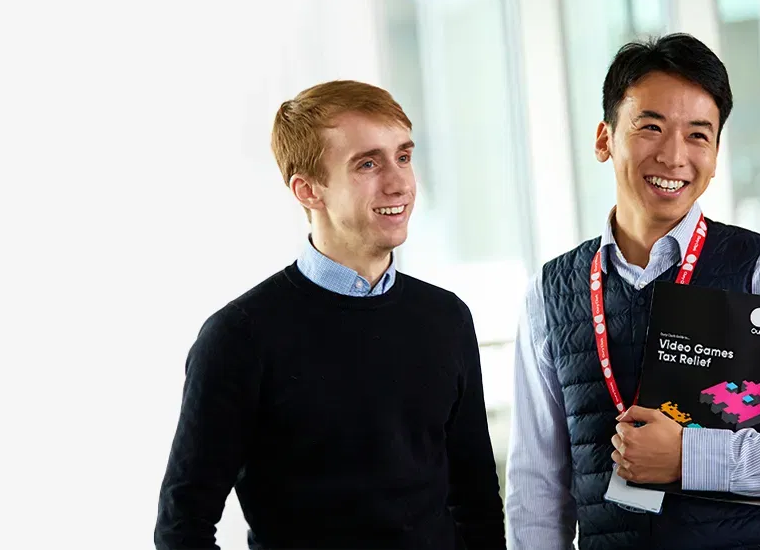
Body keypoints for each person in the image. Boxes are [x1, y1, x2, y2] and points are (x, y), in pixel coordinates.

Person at [505, 33, 760, 550]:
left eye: (698, 135)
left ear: (716, 152)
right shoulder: (552, 293)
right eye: (650, 127)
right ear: (604, 139)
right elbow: (537, 487)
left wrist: (692, 457)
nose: (674, 156)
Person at [154, 80, 506, 550]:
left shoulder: (447, 318)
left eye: (403, 156)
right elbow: (183, 529)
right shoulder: (239, 338)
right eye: (367, 163)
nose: (399, 181)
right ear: (308, 190)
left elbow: (478, 503)